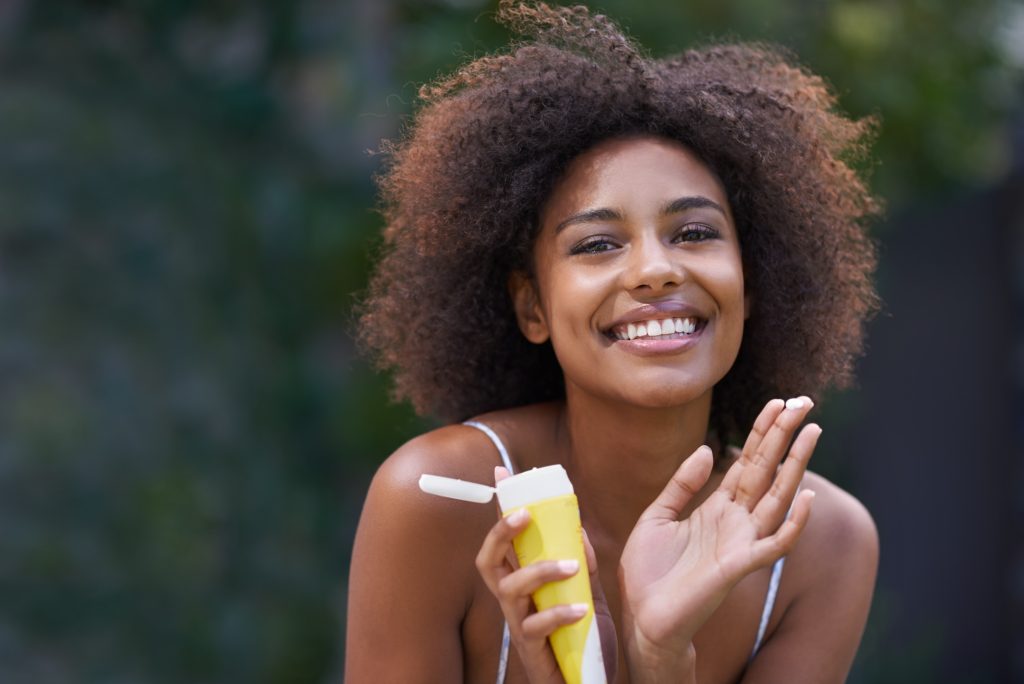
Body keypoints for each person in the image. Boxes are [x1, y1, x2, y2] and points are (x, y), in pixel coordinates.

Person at [347, 2, 880, 682]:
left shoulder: (823, 545)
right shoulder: (438, 501)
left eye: (694, 233)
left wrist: (661, 660)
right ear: (532, 305)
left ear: (751, 284)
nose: (656, 269)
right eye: (598, 244)